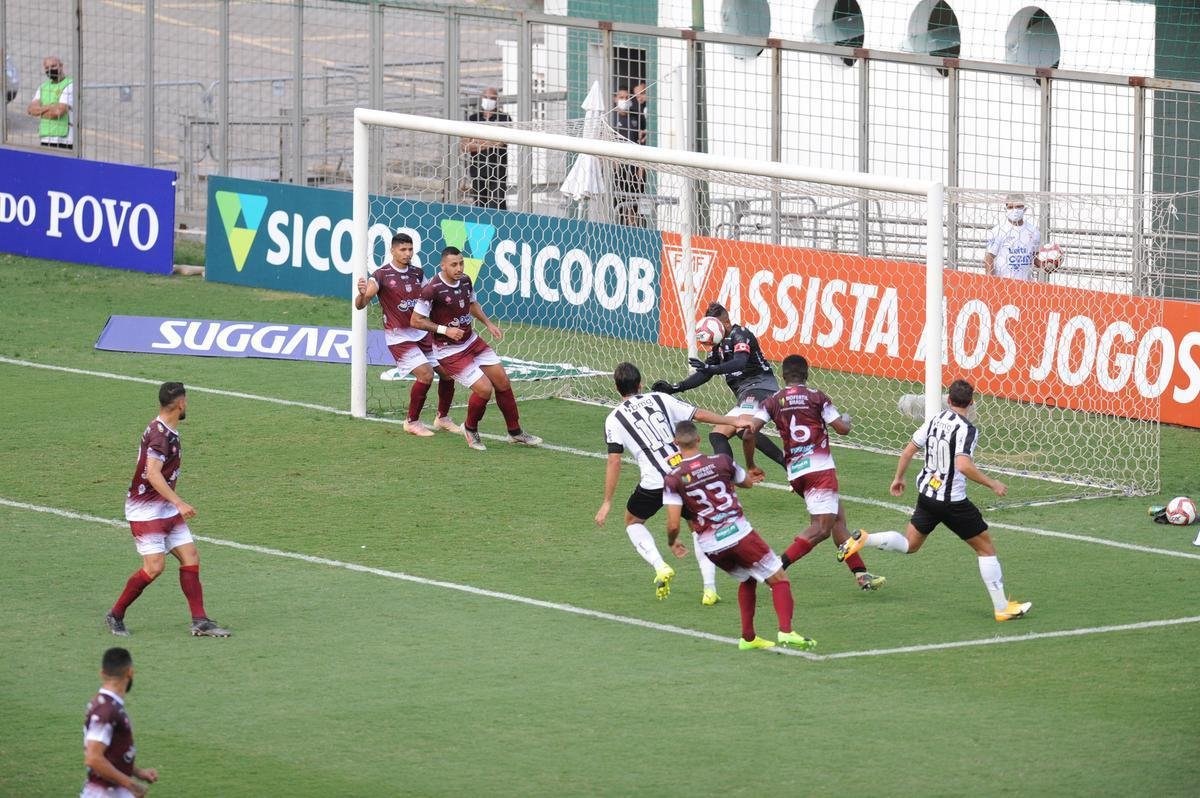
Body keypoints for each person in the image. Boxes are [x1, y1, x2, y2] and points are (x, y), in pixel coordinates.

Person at [837, 379, 1032, 622]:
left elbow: (908, 450)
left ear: (948, 400)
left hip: (927, 495)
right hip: (953, 502)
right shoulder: (967, 429)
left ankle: (866, 539)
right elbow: (963, 465)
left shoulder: (935, 420)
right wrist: (992, 483)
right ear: (971, 403)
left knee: (910, 545)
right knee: (986, 549)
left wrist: (899, 478)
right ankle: (1002, 607)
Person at [595, 361, 753, 603]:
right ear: (640, 384)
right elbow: (697, 414)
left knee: (633, 521)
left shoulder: (613, 419)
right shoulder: (660, 398)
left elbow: (614, 461)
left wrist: (607, 501)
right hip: (684, 474)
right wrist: (733, 421)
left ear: (617, 389)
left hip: (654, 482)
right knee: (698, 527)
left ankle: (660, 566)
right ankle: (709, 589)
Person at [663, 421, 817, 651]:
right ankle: (786, 631)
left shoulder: (673, 478)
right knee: (779, 578)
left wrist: (672, 542)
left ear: (676, 443)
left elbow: (674, 523)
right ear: (699, 440)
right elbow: (746, 483)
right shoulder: (721, 461)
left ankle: (748, 637)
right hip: (739, 534)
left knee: (748, 579)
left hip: (710, 546)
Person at [741, 354, 887, 591]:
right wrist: (847, 419)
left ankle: (861, 574)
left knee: (837, 518)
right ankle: (774, 569)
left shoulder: (772, 401)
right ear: (806, 375)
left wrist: (751, 464)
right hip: (820, 471)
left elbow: (748, 433)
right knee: (821, 528)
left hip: (796, 473)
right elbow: (842, 429)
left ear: (783, 376)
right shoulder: (817, 397)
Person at [104, 383, 230, 638]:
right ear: (181, 403)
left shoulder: (165, 428)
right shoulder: (161, 436)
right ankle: (115, 614)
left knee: (190, 556)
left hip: (162, 508)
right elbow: (152, 474)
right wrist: (179, 502)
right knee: (154, 567)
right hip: (146, 511)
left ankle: (200, 621)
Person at [410, 247, 541, 451]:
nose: (459, 268)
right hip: (449, 351)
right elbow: (416, 320)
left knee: (502, 381)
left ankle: (515, 432)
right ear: (442, 265)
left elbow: (472, 304)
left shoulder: (465, 280)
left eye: (461, 263)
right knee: (484, 388)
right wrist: (445, 330)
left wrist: (488, 324)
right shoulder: (432, 289)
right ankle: (470, 428)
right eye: (454, 264)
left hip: (471, 341)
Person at [652, 302, 789, 471]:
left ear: (724, 323)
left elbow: (740, 362)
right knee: (717, 435)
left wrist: (713, 368)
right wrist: (677, 387)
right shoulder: (719, 343)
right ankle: (727, 476)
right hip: (746, 394)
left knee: (742, 427)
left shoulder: (741, 334)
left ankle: (788, 464)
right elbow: (706, 373)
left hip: (760, 387)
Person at [355, 232, 461, 437]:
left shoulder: (418, 274)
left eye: (410, 249)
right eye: (403, 249)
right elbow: (361, 305)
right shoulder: (380, 275)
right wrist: (362, 294)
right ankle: (411, 421)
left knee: (448, 373)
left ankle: (442, 418)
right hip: (400, 338)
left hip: (422, 334)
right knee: (426, 374)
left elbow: (430, 298)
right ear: (392, 251)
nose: (407, 253)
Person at [82, 647, 158, 798]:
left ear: (102, 673)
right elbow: (93, 758)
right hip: (105, 793)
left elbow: (111, 753)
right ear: (130, 672)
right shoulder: (107, 710)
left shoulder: (106, 704)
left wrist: (137, 772)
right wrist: (131, 784)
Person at [462, 87, 512, 210]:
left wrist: (477, 141)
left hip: (497, 171)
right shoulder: (474, 118)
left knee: (498, 206)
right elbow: (465, 146)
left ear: (497, 100)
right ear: (481, 99)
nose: (488, 100)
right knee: (479, 206)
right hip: (477, 170)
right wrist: (490, 141)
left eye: (492, 98)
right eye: (486, 97)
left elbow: (501, 142)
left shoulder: (504, 119)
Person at [984, 192, 1041, 279]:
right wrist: (990, 280)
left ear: (1024, 208)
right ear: (1005, 209)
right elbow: (989, 257)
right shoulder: (998, 230)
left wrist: (1047, 265)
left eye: (1018, 207)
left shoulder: (1034, 231)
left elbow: (1034, 256)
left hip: (1026, 284)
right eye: (1010, 207)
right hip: (1003, 283)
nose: (1015, 210)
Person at [611, 87, 645, 226]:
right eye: (621, 97)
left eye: (627, 98)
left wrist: (641, 166)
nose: (624, 101)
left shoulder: (636, 118)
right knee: (619, 200)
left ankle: (633, 226)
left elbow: (641, 142)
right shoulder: (611, 119)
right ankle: (620, 225)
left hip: (633, 167)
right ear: (615, 99)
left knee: (634, 201)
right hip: (618, 168)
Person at [26, 55, 74, 150]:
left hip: (65, 140)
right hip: (46, 138)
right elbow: (31, 110)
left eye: (53, 66)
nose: (50, 70)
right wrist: (51, 107)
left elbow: (58, 112)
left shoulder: (70, 85)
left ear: (61, 66)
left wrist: (41, 111)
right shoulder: (43, 87)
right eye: (47, 68)